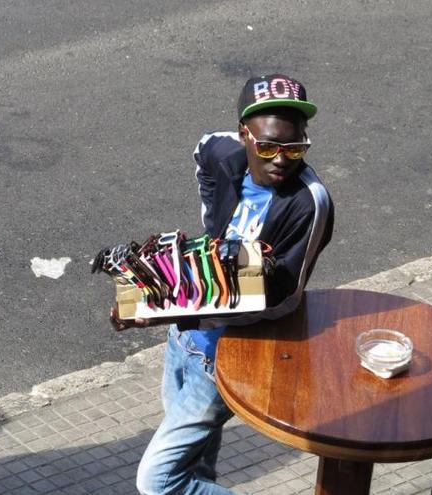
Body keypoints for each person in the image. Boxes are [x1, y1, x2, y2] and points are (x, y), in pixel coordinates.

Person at [113, 74, 334, 494]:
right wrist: (147, 294)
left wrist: (157, 304)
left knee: (159, 482)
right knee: (194, 470)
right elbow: (203, 156)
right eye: (268, 147)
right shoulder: (222, 151)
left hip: (229, 356)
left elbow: (280, 297)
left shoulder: (309, 202)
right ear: (244, 136)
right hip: (184, 340)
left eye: (295, 148)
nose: (282, 160)